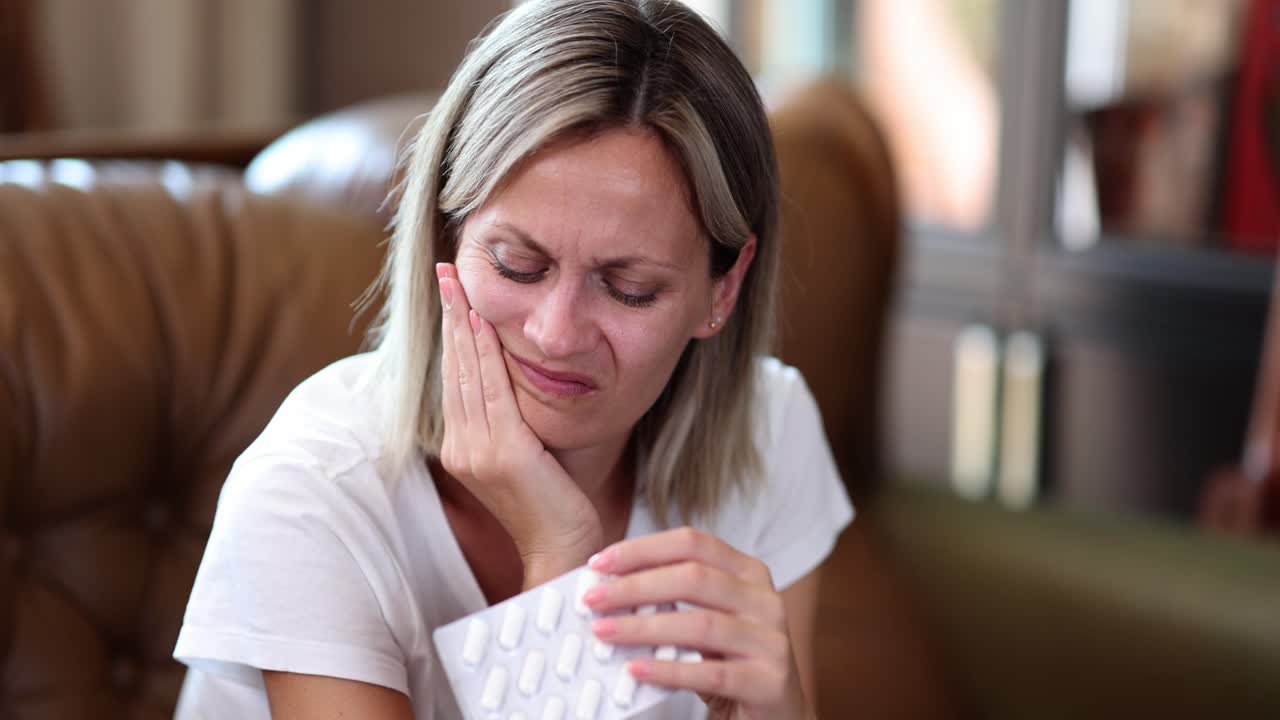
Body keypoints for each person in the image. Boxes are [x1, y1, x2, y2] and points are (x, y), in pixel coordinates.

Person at [172, 1, 853, 718]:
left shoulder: (768, 433)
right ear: (446, 239)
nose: (557, 334)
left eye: (629, 289)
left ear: (725, 288)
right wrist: (559, 559)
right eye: (518, 265)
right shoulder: (313, 492)